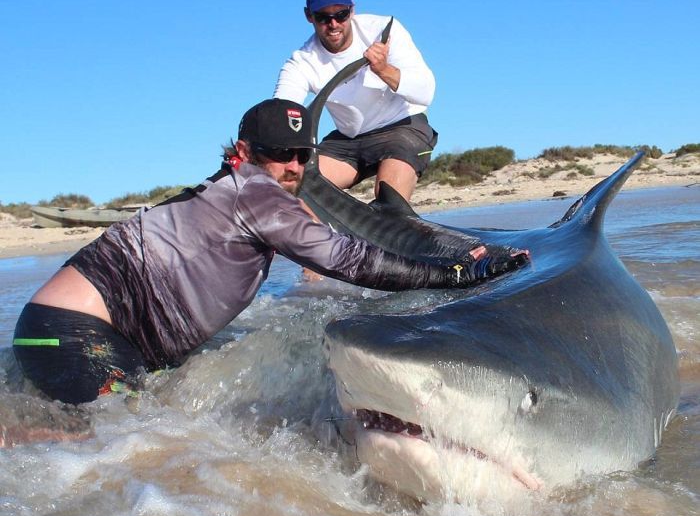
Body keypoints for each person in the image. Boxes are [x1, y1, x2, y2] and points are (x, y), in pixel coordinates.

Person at [12, 99, 528, 406]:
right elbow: (354, 261)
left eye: (302, 155)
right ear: (244, 151)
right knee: (113, 442)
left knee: (143, 427)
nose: (292, 167)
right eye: (280, 153)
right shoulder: (253, 192)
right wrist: (459, 271)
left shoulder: (231, 189)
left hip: (57, 335)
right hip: (69, 335)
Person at [274, 0, 437, 202]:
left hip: (403, 127)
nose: (333, 24)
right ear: (308, 16)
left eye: (341, 14)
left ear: (352, 10)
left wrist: (383, 69)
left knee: (390, 204)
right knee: (293, 191)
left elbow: (425, 92)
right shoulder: (301, 62)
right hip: (349, 140)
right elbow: (280, 112)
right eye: (323, 17)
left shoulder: (383, 30)